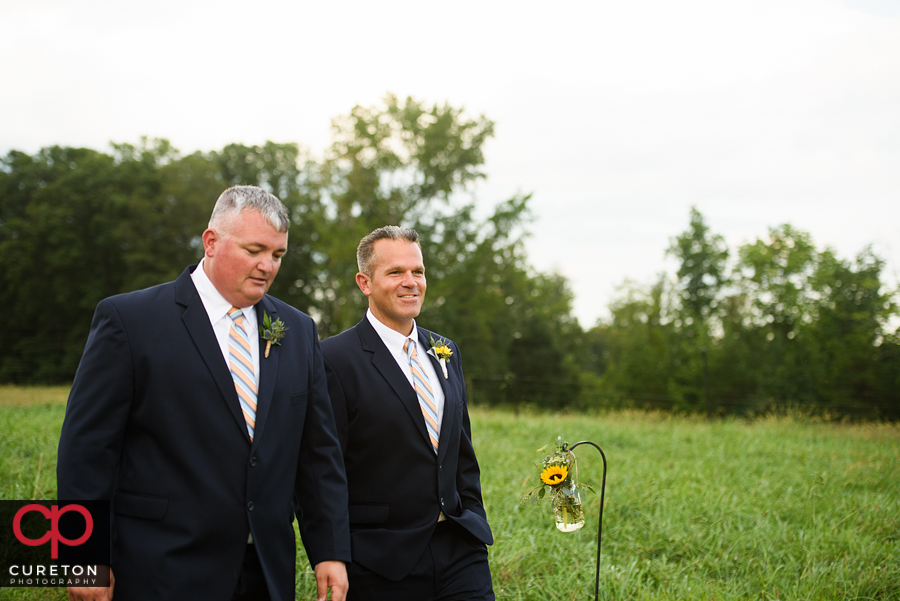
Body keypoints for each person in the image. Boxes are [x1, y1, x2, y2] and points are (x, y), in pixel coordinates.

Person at [57, 186, 351, 601]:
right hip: (159, 569)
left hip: (265, 575)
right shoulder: (129, 320)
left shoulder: (298, 330)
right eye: (255, 250)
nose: (267, 266)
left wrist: (330, 551)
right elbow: (86, 450)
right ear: (211, 242)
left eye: (278, 255)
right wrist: (82, 555)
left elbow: (317, 451)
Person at [320, 226, 494, 600]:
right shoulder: (332, 359)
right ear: (364, 282)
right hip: (381, 559)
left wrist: (474, 518)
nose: (411, 282)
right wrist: (332, 553)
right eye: (396, 272)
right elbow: (324, 468)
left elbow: (461, 448)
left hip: (461, 549)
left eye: (418, 271)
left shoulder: (445, 351)